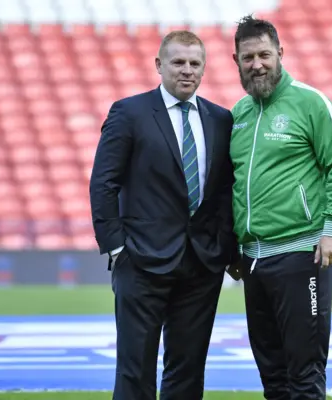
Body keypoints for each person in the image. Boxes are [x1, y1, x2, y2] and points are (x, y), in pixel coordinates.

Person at [89, 30, 240, 400]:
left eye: (194, 64)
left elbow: (223, 192)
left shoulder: (221, 119)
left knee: (188, 371)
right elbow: (103, 183)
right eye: (178, 62)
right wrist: (116, 248)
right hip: (140, 261)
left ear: (203, 69)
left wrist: (222, 248)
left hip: (201, 265)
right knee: (135, 370)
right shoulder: (129, 112)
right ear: (159, 65)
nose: (187, 71)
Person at [226, 15, 332, 400]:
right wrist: (234, 246)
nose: (257, 64)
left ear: (280, 53)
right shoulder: (238, 115)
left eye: (264, 54)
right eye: (248, 57)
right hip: (253, 261)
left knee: (304, 372)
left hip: (301, 254)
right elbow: (233, 187)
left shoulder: (311, 102)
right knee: (273, 377)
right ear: (236, 61)